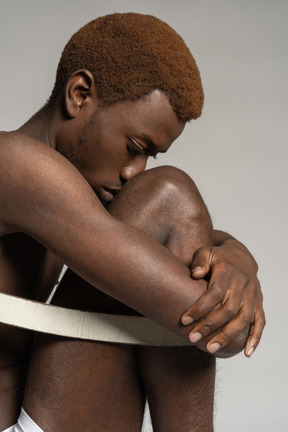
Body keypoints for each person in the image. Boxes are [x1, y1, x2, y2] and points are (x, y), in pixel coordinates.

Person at [0, 13, 265, 432]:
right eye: (134, 146)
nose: (133, 172)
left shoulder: (76, 202)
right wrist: (235, 295)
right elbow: (227, 334)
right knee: (171, 196)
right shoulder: (14, 166)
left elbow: (195, 244)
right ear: (79, 94)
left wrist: (239, 260)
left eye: (148, 156)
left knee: (168, 206)